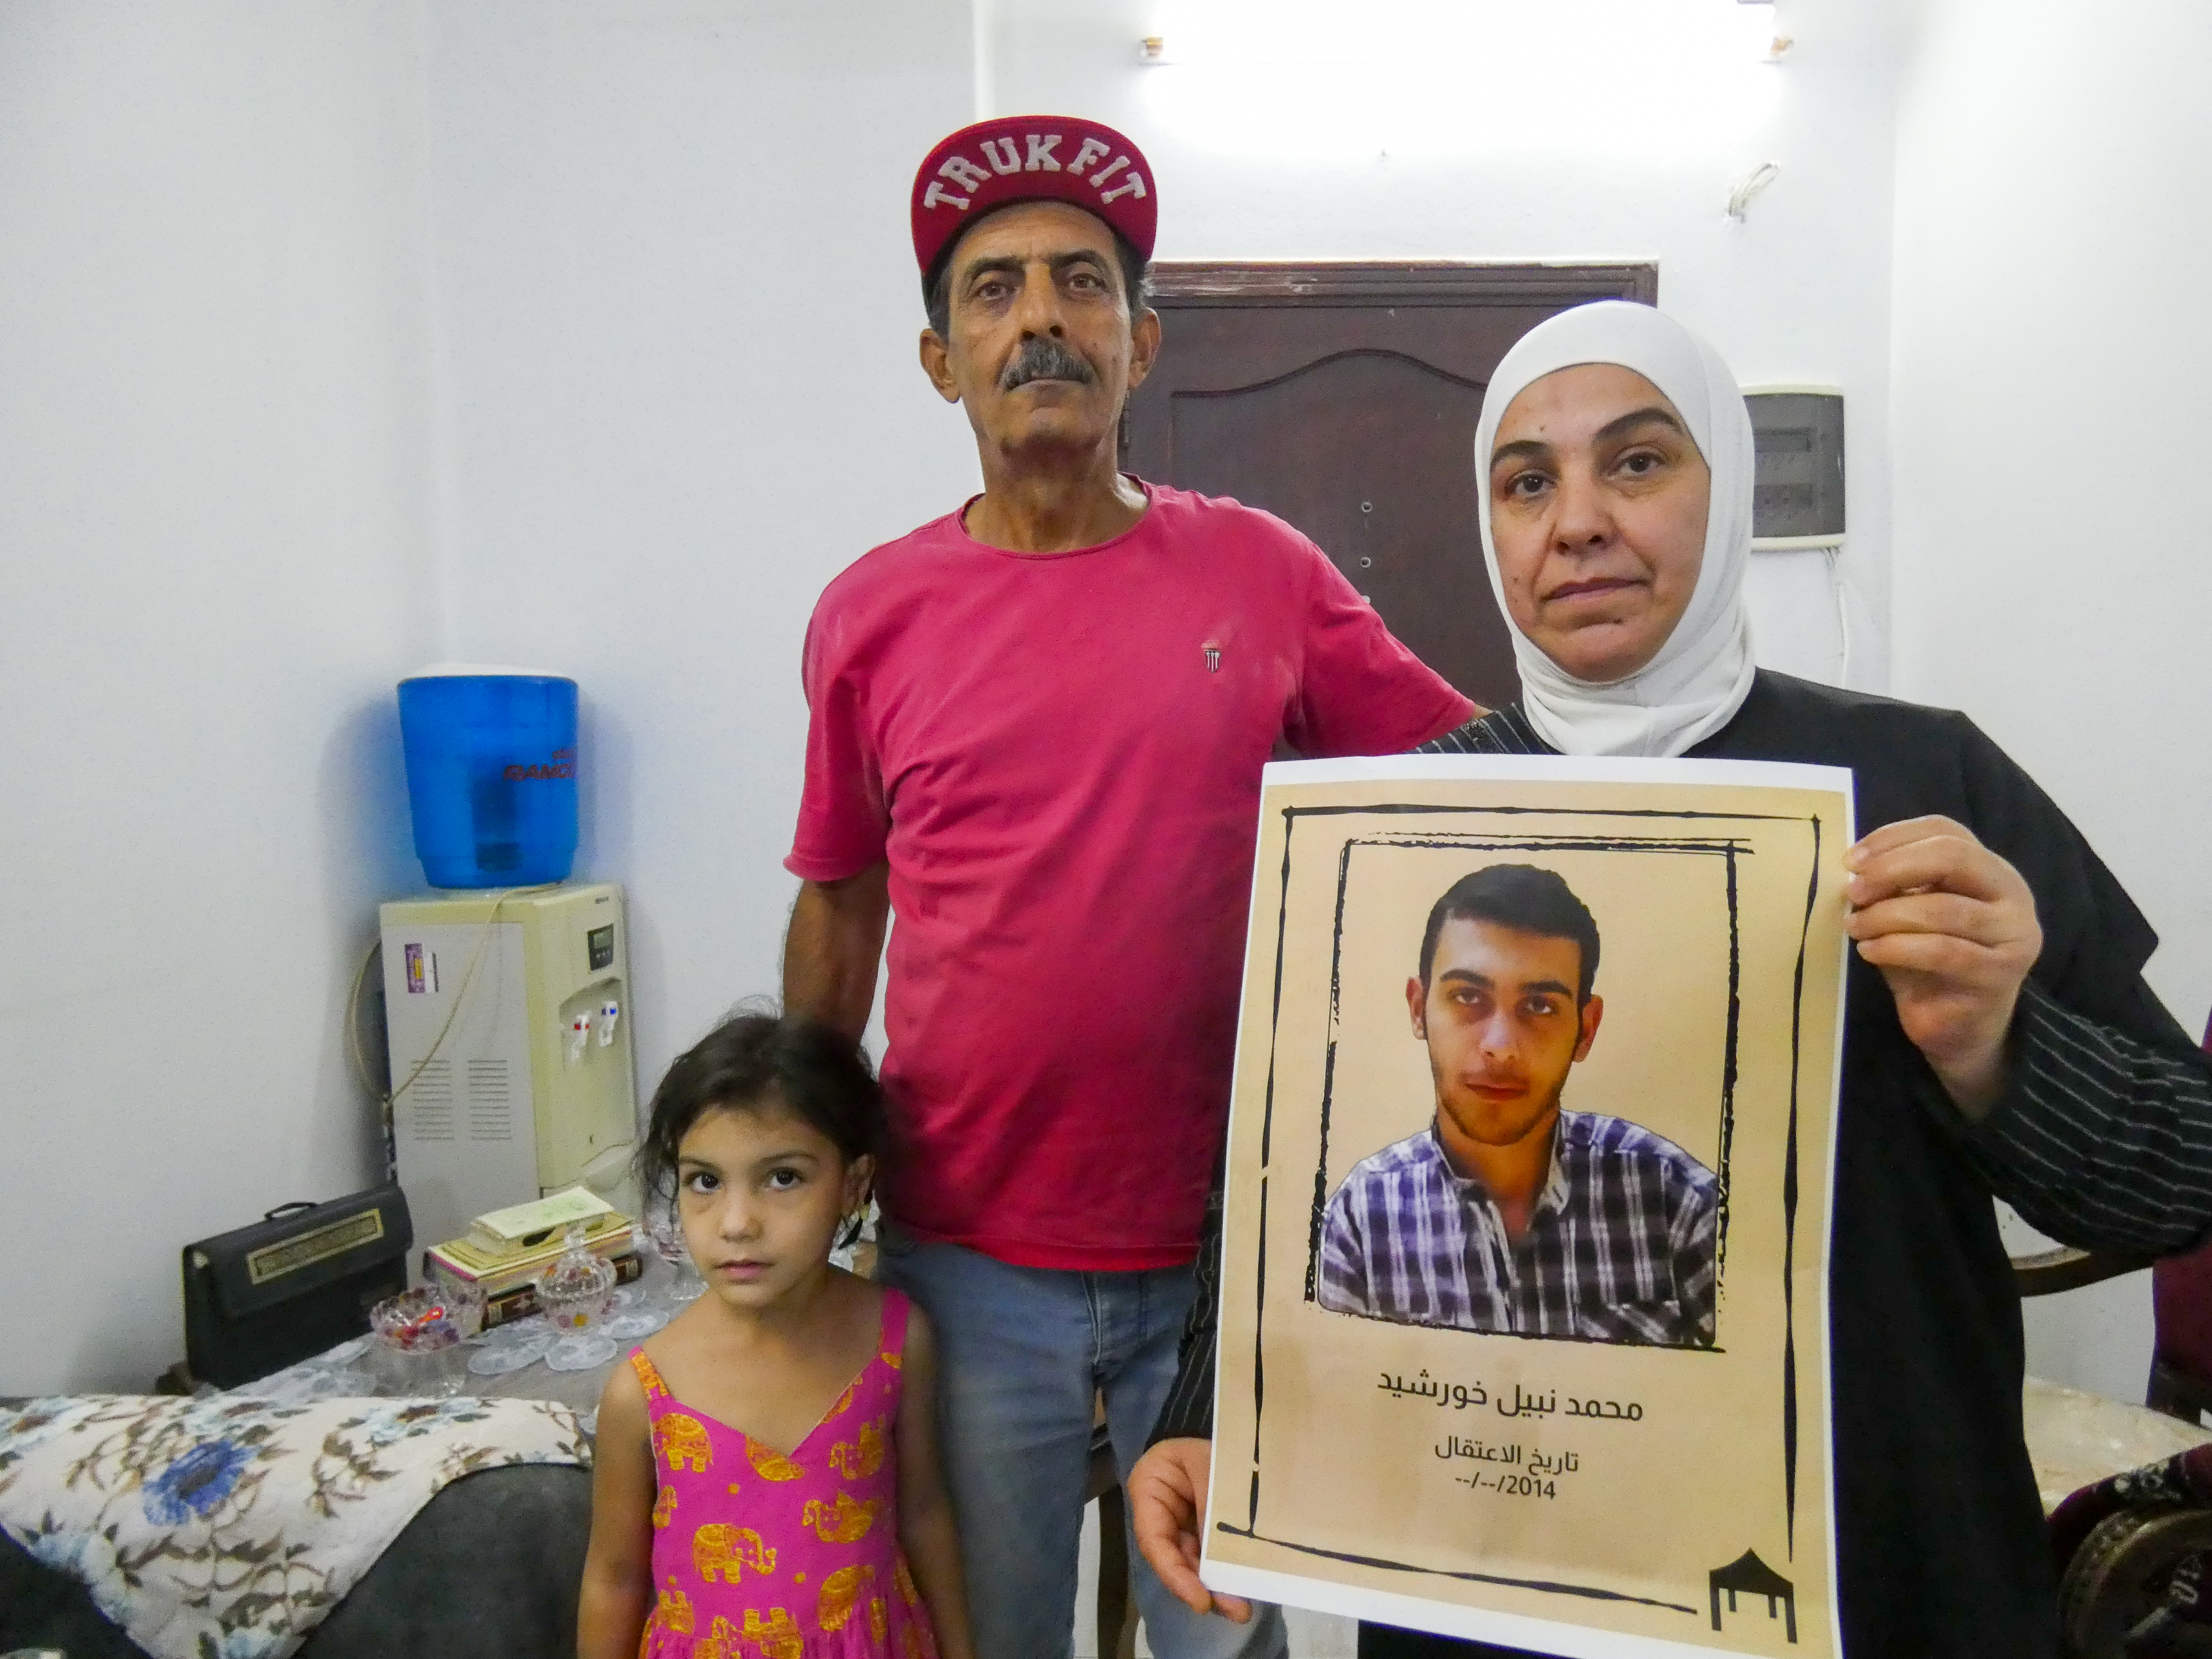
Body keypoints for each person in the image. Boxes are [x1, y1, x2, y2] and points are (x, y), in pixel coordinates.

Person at [1128, 300, 2212, 1658]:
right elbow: (1278, 1174)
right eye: (1527, 482)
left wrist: (1997, 1048)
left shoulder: (1922, 784)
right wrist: (1209, 1416)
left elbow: (2180, 1180)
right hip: (1498, 1594)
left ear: (1730, 484)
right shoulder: (1410, 824)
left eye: (1636, 462)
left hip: (1873, 1574)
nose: (1578, 522)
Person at [779, 116, 1474, 1659]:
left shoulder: (1266, 574)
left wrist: (1699, 792)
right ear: (940, 360)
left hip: (1228, 1247)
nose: (1041, 319)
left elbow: (1468, 785)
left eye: (1081, 283)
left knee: (1220, 1639)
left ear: (1141, 343)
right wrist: (801, 1170)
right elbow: (838, 901)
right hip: (967, 1254)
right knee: (989, 1635)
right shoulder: (870, 616)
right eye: (995, 290)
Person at [577, 1013, 975, 1659]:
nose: (737, 1223)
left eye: (783, 1178)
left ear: (853, 1185)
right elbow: (614, 1579)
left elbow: (924, 1514)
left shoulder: (897, 1342)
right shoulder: (643, 1394)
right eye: (705, 1181)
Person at [1319, 862, 1718, 1348]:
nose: (1501, 1047)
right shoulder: (1362, 1218)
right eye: (1468, 996)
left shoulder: (1681, 1204)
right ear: (1418, 1009)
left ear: (1586, 1029)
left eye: (1541, 1006)